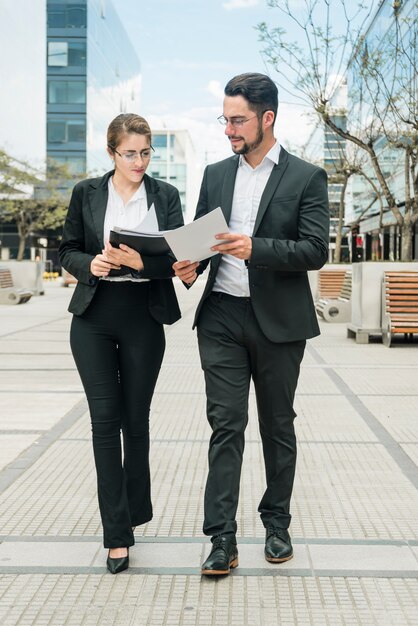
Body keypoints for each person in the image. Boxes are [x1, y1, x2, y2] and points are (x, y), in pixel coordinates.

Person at [173, 73, 329, 576]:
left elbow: (315, 250)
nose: (229, 130)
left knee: (278, 426)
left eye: (237, 120)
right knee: (226, 426)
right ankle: (221, 537)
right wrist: (189, 264)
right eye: (225, 119)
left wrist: (254, 248)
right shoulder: (217, 173)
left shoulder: (306, 177)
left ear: (267, 118)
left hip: (279, 323)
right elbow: (198, 238)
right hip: (221, 314)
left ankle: (277, 523)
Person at [59, 113, 183, 574]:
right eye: (130, 153)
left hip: (143, 317)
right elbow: (66, 248)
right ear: (111, 152)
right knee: (104, 423)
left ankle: (134, 512)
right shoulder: (86, 193)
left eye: (146, 152)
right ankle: (117, 535)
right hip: (93, 316)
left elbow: (178, 258)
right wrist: (90, 263)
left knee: (136, 421)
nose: (139, 161)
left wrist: (142, 262)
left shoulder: (166, 195)